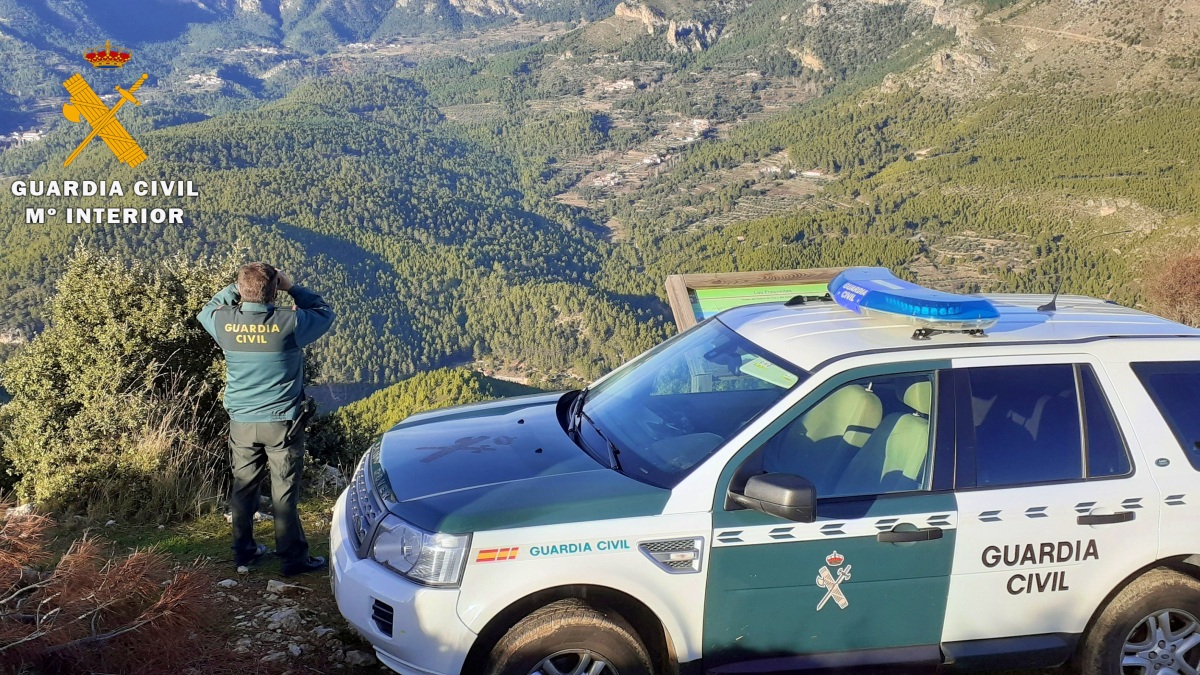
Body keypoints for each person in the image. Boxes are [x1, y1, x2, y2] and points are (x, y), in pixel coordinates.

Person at [198, 262, 335, 576]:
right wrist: (291, 287)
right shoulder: (289, 323)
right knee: (283, 491)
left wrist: (239, 287)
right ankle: (293, 559)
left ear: (241, 290)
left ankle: (244, 553)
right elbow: (324, 311)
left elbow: (207, 308)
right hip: (282, 422)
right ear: (274, 291)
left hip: (242, 422)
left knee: (244, 487)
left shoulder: (224, 322)